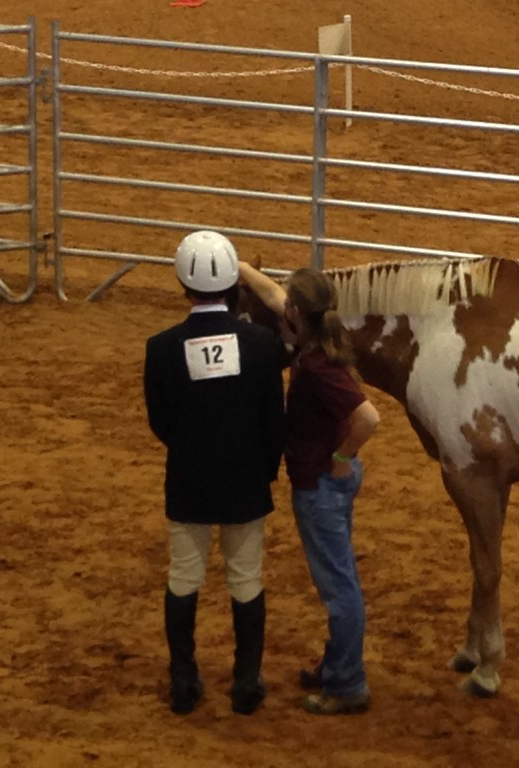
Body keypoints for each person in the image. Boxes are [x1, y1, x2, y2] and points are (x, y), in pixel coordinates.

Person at [144, 231, 286, 716]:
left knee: (184, 577)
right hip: (246, 481)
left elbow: (160, 421)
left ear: (184, 286)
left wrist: (191, 451)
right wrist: (262, 470)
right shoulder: (263, 344)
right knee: (246, 580)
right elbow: (274, 420)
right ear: (232, 286)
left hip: (189, 480)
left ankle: (183, 681)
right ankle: (246, 683)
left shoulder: (160, 348)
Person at [238, 261, 380, 716]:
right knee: (341, 581)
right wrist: (242, 267)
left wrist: (341, 459)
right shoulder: (318, 338)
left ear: (298, 312)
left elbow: (368, 418)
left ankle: (347, 683)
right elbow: (276, 297)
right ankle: (338, 666)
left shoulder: (317, 366)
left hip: (321, 482)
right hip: (326, 479)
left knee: (340, 589)